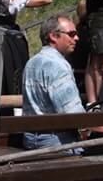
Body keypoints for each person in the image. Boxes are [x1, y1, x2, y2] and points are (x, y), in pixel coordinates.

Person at [20, 14, 86, 152]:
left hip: (31, 139)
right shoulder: (58, 66)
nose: (76, 38)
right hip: (57, 141)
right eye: (71, 34)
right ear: (53, 36)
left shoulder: (31, 62)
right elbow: (73, 114)